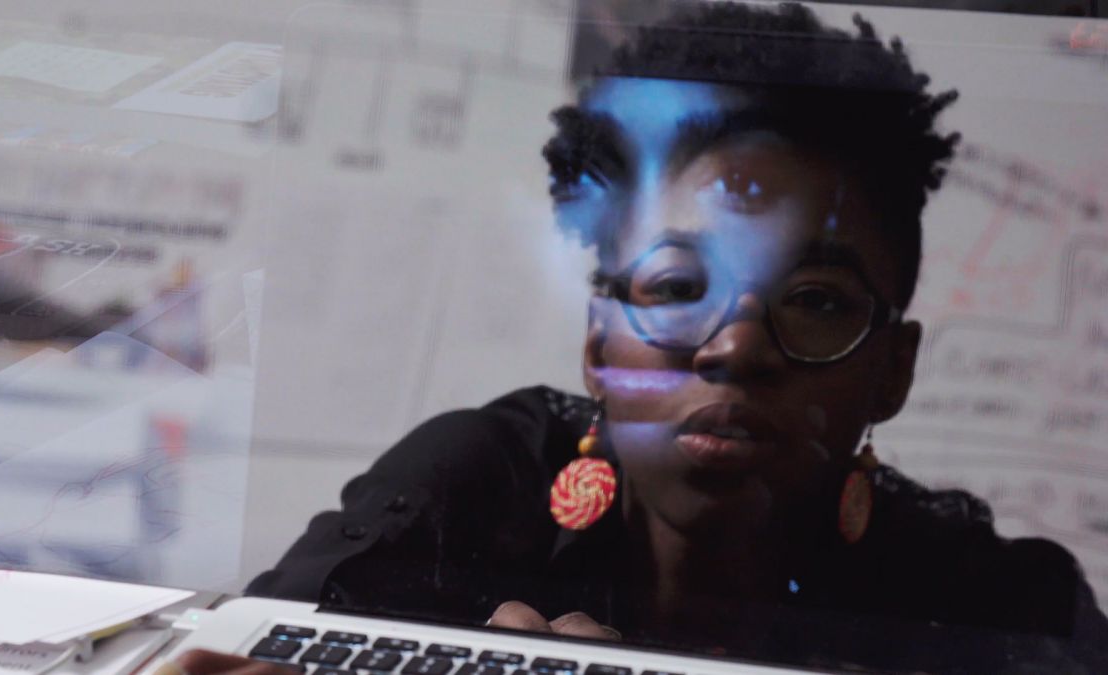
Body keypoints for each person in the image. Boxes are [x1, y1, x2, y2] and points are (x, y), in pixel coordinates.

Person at [181, 2, 1108, 672]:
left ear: (891, 372)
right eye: (675, 286)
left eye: (818, 300)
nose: (735, 349)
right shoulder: (470, 491)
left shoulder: (995, 608)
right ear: (598, 342)